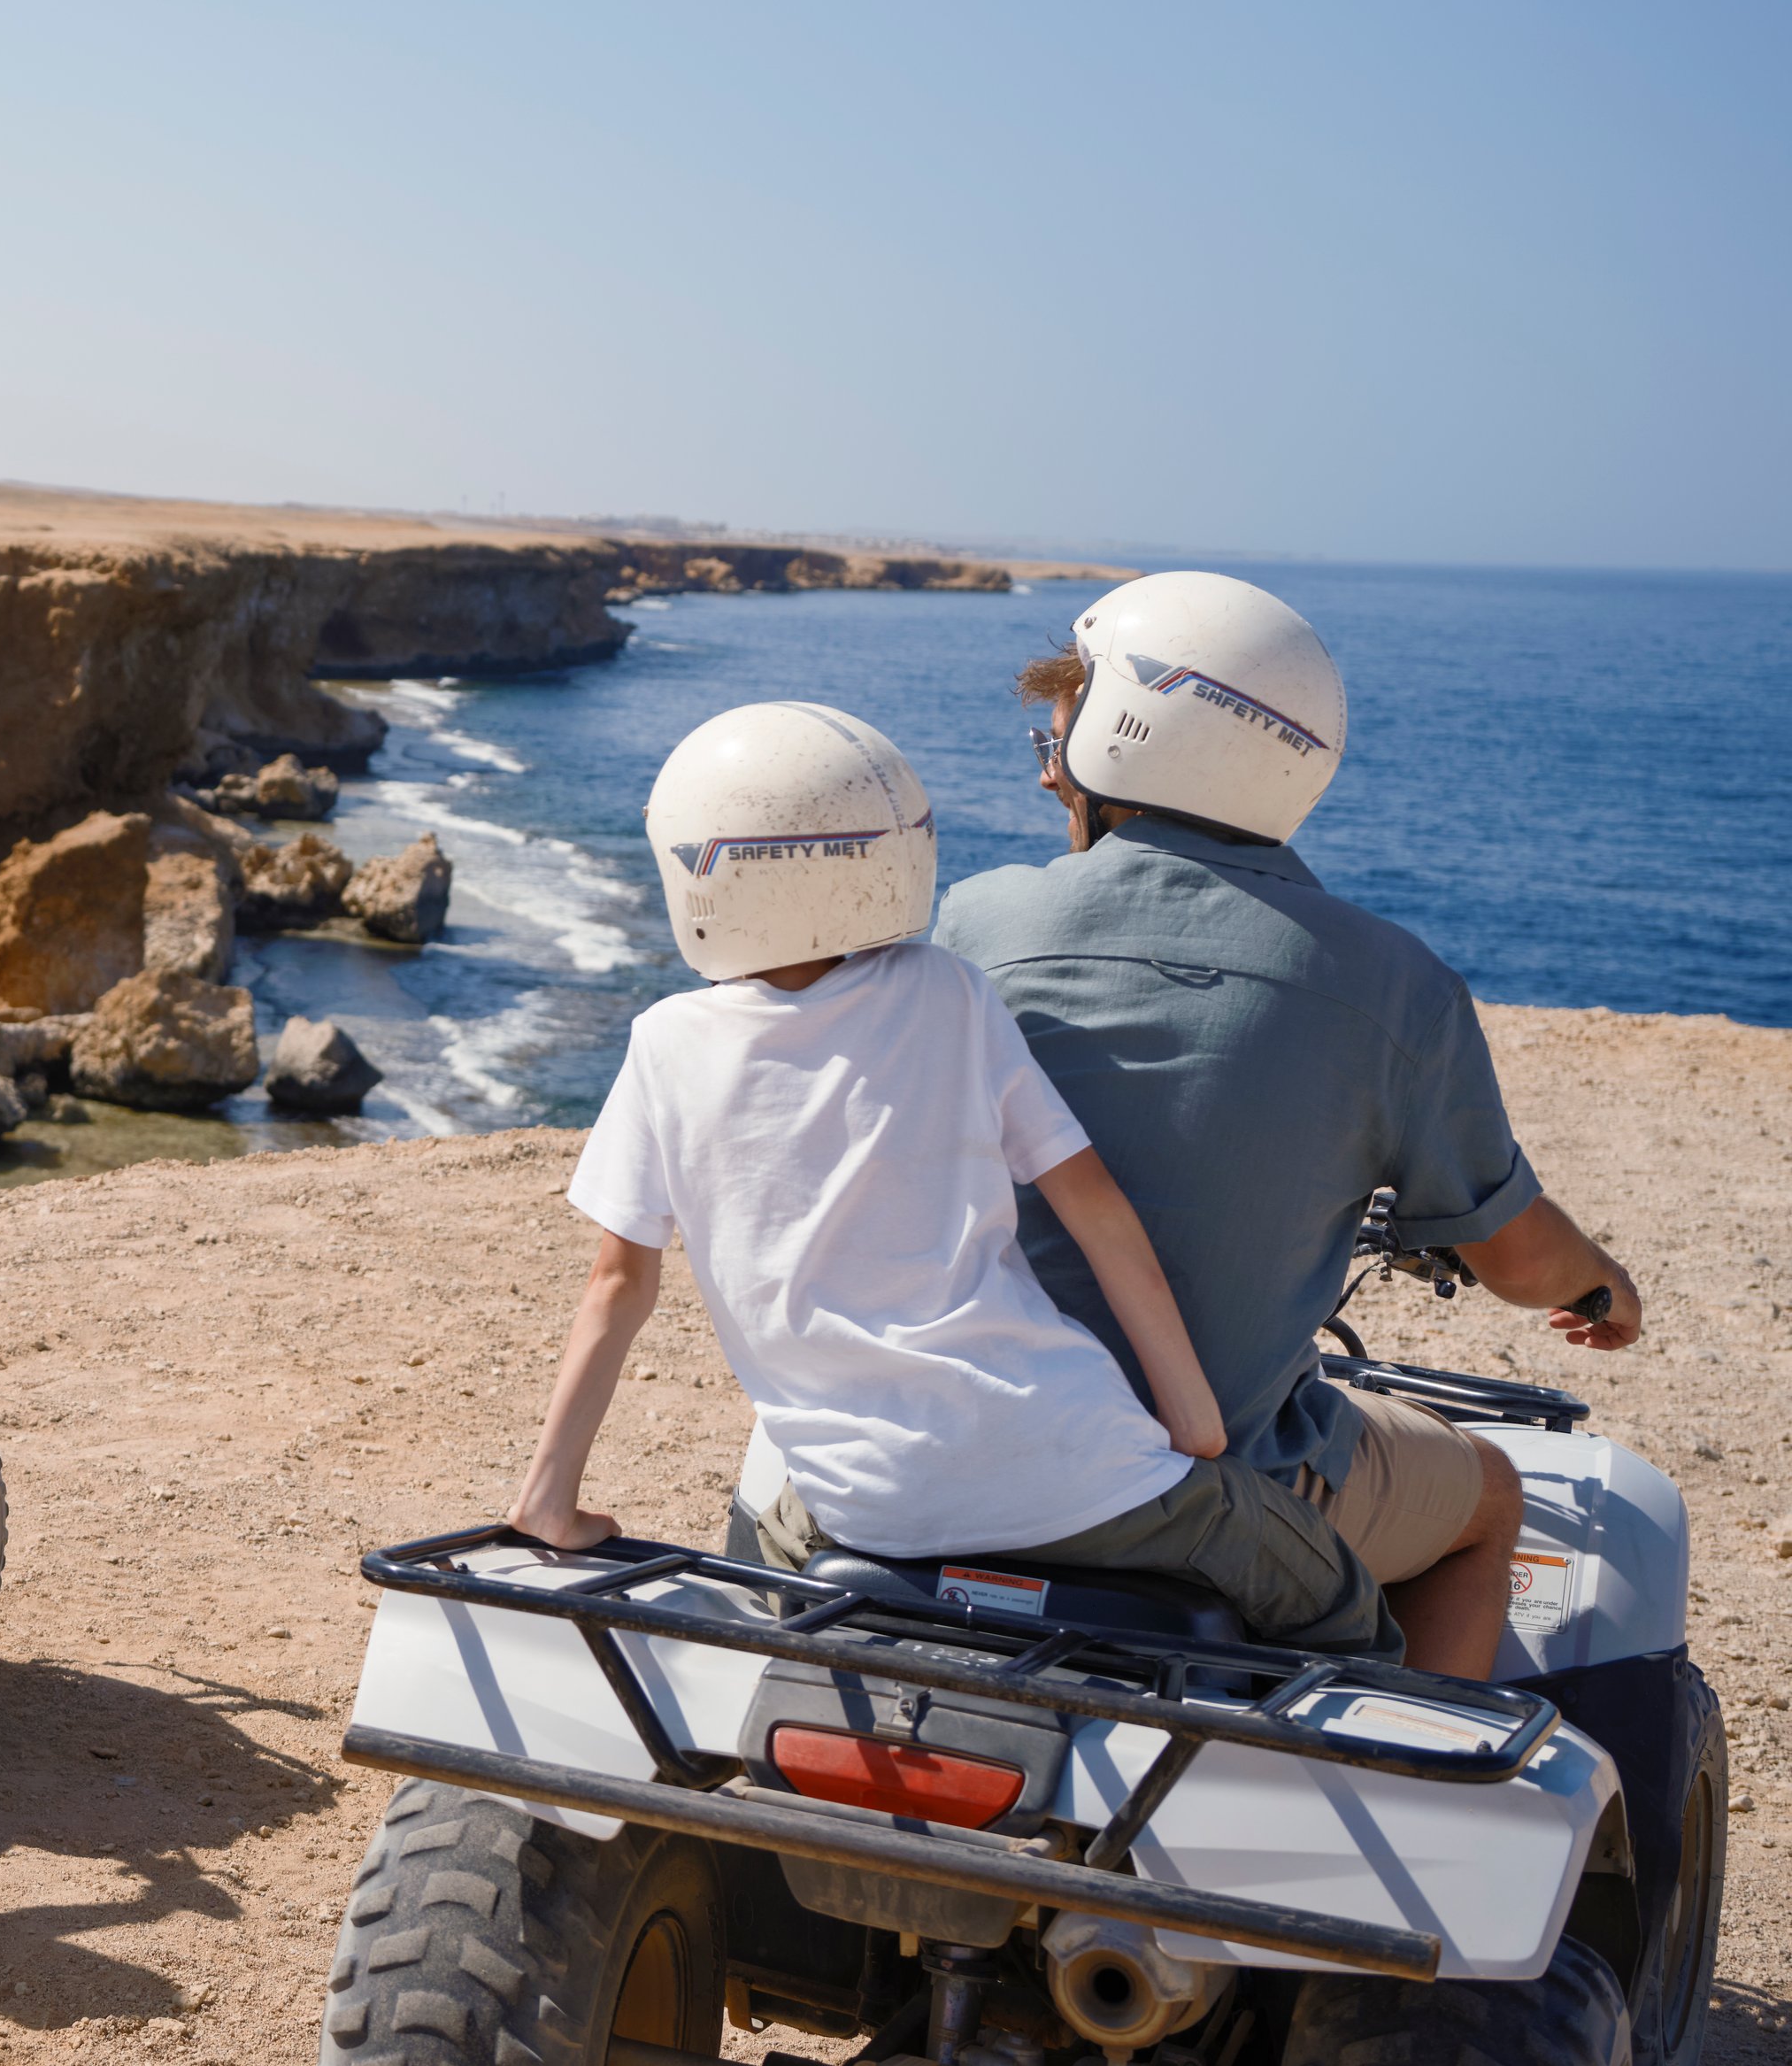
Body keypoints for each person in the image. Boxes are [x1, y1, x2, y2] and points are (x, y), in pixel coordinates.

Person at [510, 700, 1388, 1654]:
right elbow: (1094, 1209)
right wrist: (1191, 1420)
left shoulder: (664, 1045)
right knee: (1340, 1610)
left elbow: (616, 1285)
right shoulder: (945, 992)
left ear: (700, 871)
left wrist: (548, 1499)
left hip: (865, 1510)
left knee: (760, 1567)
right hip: (1077, 1466)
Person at [933, 573, 1642, 1678]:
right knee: (1491, 1502)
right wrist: (1598, 1287)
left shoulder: (970, 922)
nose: (1045, 771)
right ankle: (1413, 1790)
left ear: (1117, 745)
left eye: (1054, 744)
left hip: (962, 1448)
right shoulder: (1395, 987)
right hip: (1216, 1483)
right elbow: (1511, 1253)